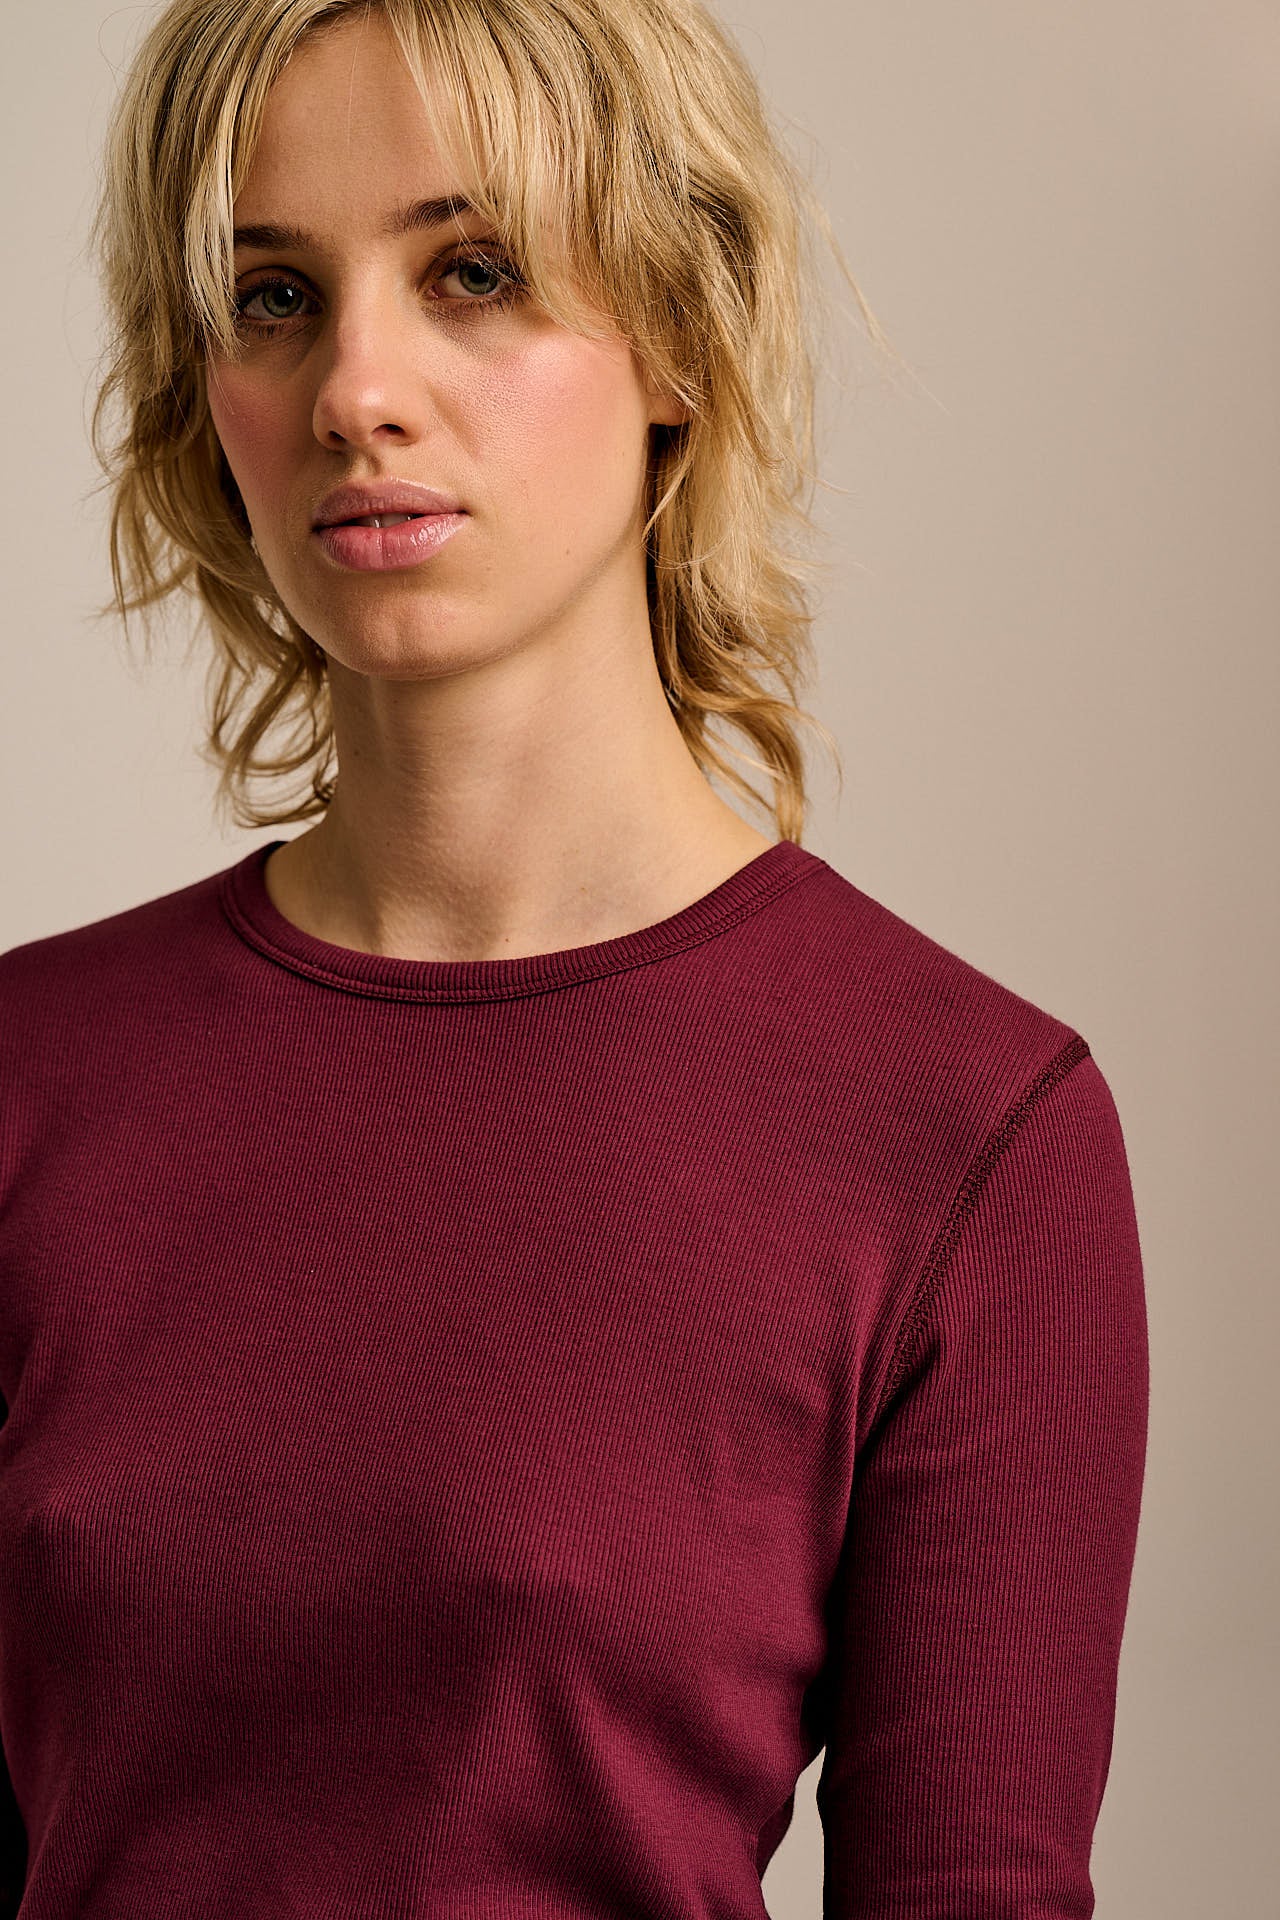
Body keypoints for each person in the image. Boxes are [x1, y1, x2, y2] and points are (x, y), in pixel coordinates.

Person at [0, 1, 1149, 1915]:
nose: (359, 389)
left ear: (679, 336)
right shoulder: (30, 1078)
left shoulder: (961, 1131)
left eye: (471, 272)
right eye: (274, 298)